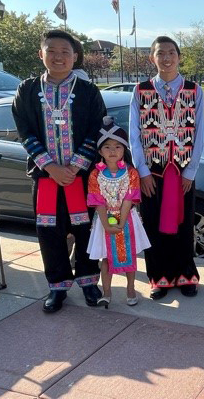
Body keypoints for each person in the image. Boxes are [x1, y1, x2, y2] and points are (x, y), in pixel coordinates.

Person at [12, 30, 106, 313]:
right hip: (45, 177)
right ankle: (57, 287)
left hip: (82, 177)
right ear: (41, 54)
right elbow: (25, 132)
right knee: (49, 233)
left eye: (65, 52)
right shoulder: (27, 90)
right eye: (51, 51)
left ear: (75, 57)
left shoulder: (88, 91)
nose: (58, 57)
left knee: (86, 230)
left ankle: (89, 282)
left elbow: (97, 130)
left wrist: (75, 166)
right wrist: (51, 167)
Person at [129, 36, 204, 300]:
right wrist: (143, 171)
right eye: (160, 53)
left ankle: (186, 275)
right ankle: (158, 277)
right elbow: (134, 134)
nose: (167, 58)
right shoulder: (141, 90)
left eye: (171, 52)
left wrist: (191, 171)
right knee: (153, 224)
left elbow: (199, 133)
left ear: (179, 56)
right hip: (154, 171)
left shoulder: (194, 90)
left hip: (183, 172)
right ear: (152, 58)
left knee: (184, 225)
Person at [86, 117, 151, 308]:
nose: (113, 151)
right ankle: (107, 292)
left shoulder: (131, 173)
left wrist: (121, 223)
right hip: (105, 217)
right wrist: (107, 224)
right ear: (99, 151)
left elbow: (129, 199)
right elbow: (97, 200)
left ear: (124, 150)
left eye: (118, 147)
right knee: (106, 257)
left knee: (128, 255)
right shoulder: (95, 174)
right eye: (107, 147)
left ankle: (130, 289)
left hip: (127, 217)